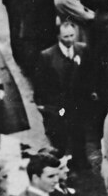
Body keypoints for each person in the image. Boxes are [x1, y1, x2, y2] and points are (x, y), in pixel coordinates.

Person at [34, 23, 91, 170]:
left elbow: (88, 75)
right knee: (59, 134)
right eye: (66, 36)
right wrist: (41, 104)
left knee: (79, 133)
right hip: (59, 106)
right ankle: (59, 165)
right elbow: (40, 82)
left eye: (72, 35)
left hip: (77, 104)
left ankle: (81, 162)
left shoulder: (82, 49)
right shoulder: (47, 56)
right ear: (58, 36)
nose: (70, 39)